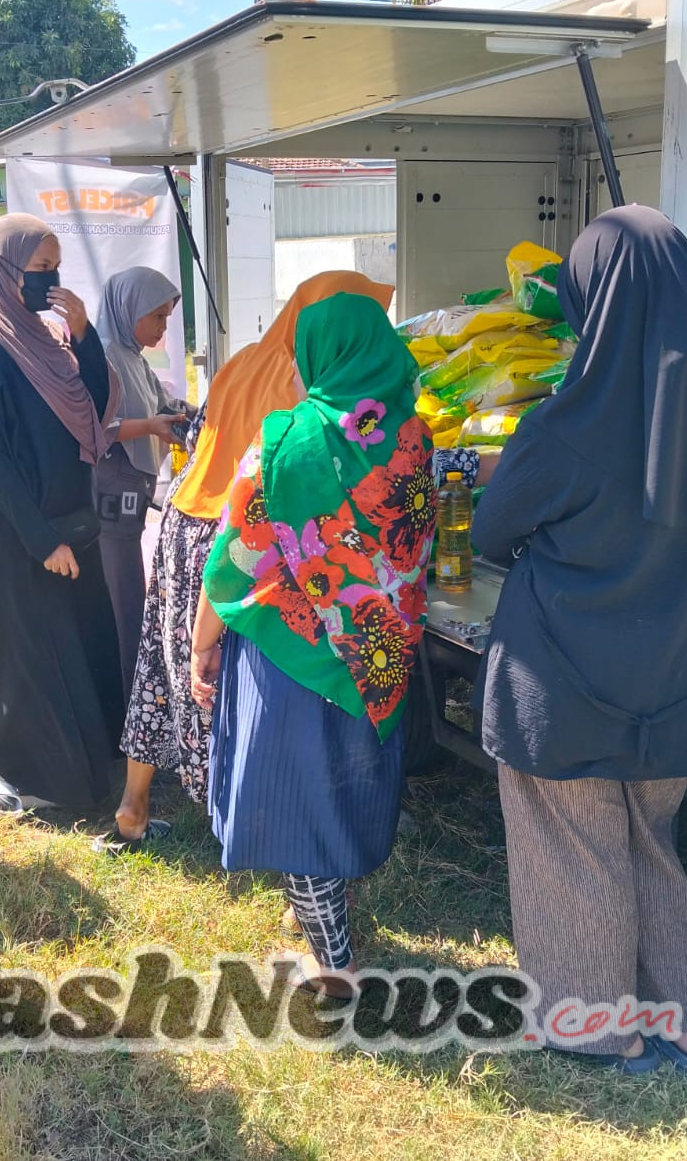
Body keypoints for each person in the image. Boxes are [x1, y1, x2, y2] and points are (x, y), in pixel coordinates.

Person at [471, 206, 687, 1075]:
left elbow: (493, 535)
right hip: (679, 678)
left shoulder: (570, 424)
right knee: (651, 843)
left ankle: (598, 1029)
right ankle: (686, 1024)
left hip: (563, 679)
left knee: (575, 848)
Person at [193, 291, 435, 997]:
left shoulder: (282, 443)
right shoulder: (415, 440)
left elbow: (233, 557)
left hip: (291, 656)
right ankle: (326, 923)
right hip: (376, 657)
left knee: (297, 809)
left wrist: (200, 642)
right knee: (342, 796)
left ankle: (335, 969)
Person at [104, 270, 395, 852]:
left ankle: (133, 803)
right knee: (227, 680)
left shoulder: (242, 359)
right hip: (239, 537)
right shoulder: (308, 382)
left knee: (160, 673)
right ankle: (238, 817)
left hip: (185, 518)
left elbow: (206, 427)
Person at [0, 214, 178, 813]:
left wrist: (82, 335)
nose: (50, 281)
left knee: (81, 635)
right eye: (40, 269)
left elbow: (99, 407)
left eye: (56, 269)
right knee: (34, 646)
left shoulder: (46, 338)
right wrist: (41, 539)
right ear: (4, 270)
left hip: (70, 513)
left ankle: (96, 757)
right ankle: (40, 773)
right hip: (20, 520)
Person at [93, 266, 191, 697]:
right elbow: (96, 429)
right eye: (156, 317)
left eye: (167, 319)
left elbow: (166, 403)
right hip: (111, 498)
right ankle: (129, 710)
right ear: (128, 308)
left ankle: (136, 706)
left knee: (132, 600)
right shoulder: (102, 356)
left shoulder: (131, 356)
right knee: (123, 605)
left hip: (131, 498)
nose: (162, 327)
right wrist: (151, 426)